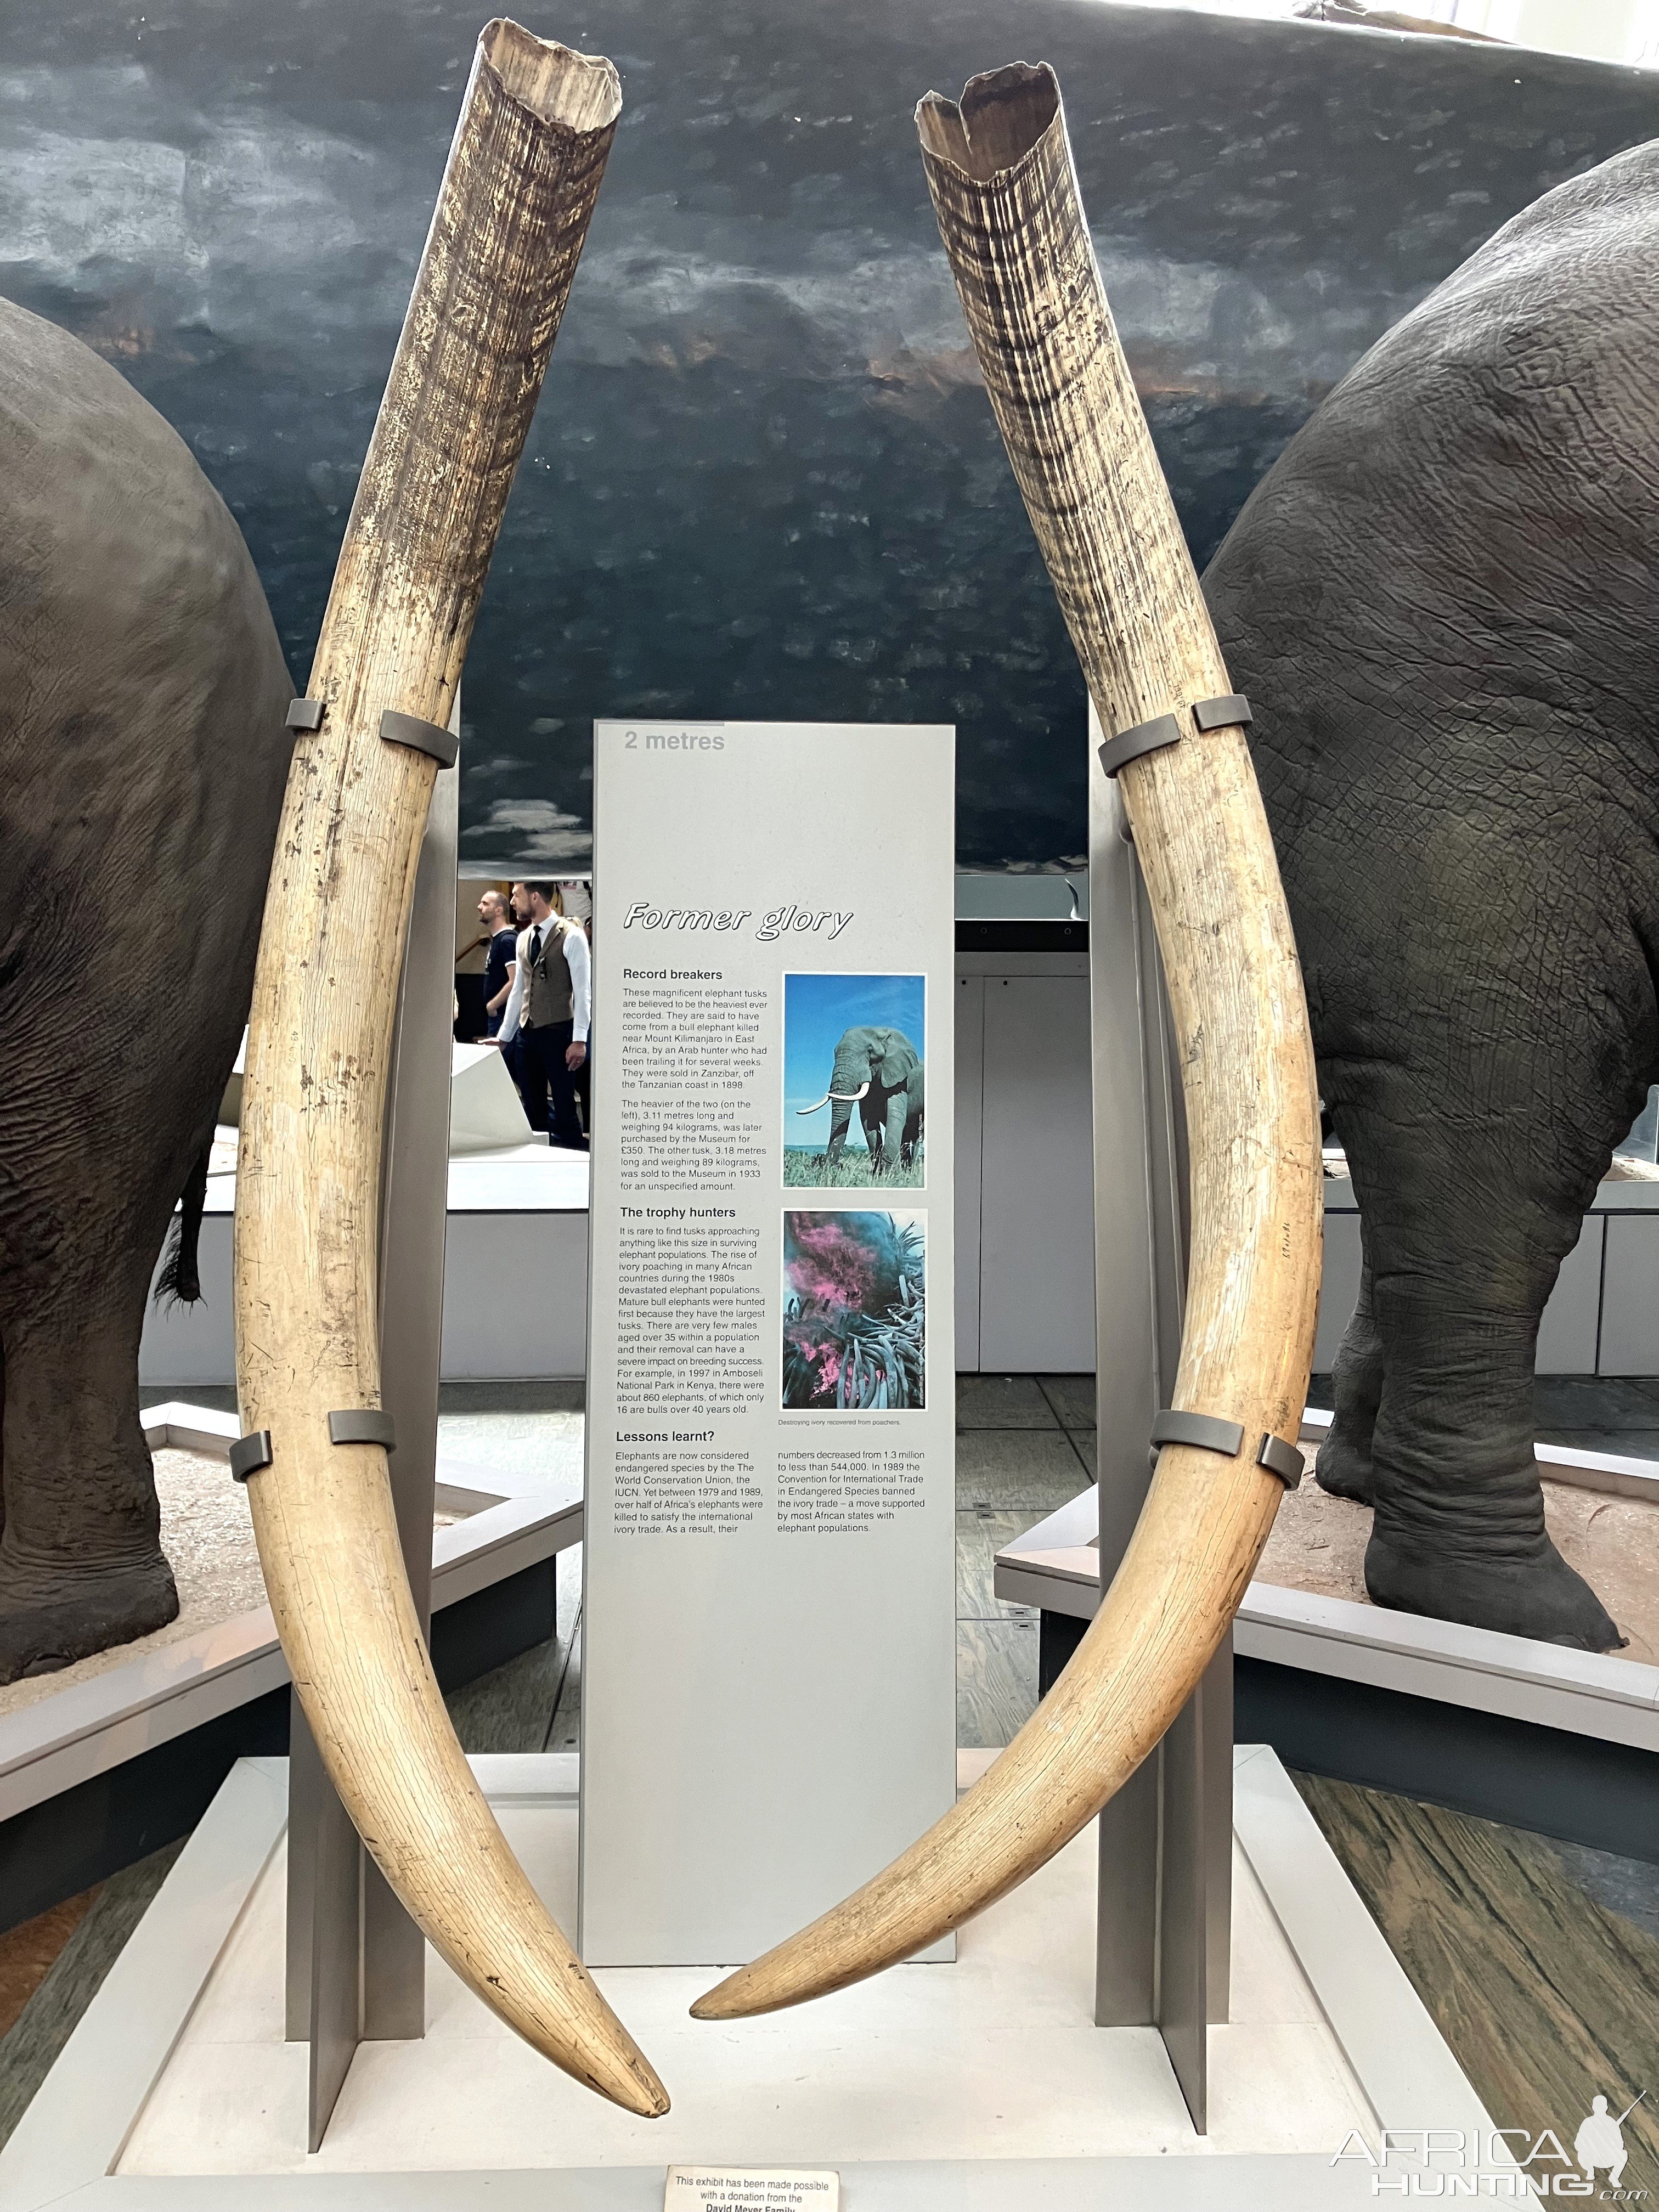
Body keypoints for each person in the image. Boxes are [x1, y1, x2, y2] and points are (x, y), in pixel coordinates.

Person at [498, 880, 589, 1150]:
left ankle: (574, 1160)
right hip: (528, 1034)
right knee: (533, 1107)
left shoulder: (572, 935)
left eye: (516, 895)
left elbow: (583, 991)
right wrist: (504, 1037)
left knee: (564, 1107)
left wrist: (580, 1040)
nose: (512, 901)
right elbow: (518, 990)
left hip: (559, 1032)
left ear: (535, 897)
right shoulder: (523, 937)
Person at [479, 889, 518, 1036]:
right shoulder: (497, 939)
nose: (479, 907)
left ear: (498, 910)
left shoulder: (507, 940)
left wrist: (493, 1006)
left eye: (485, 904)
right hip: (497, 1016)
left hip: (503, 1016)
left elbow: (514, 979)